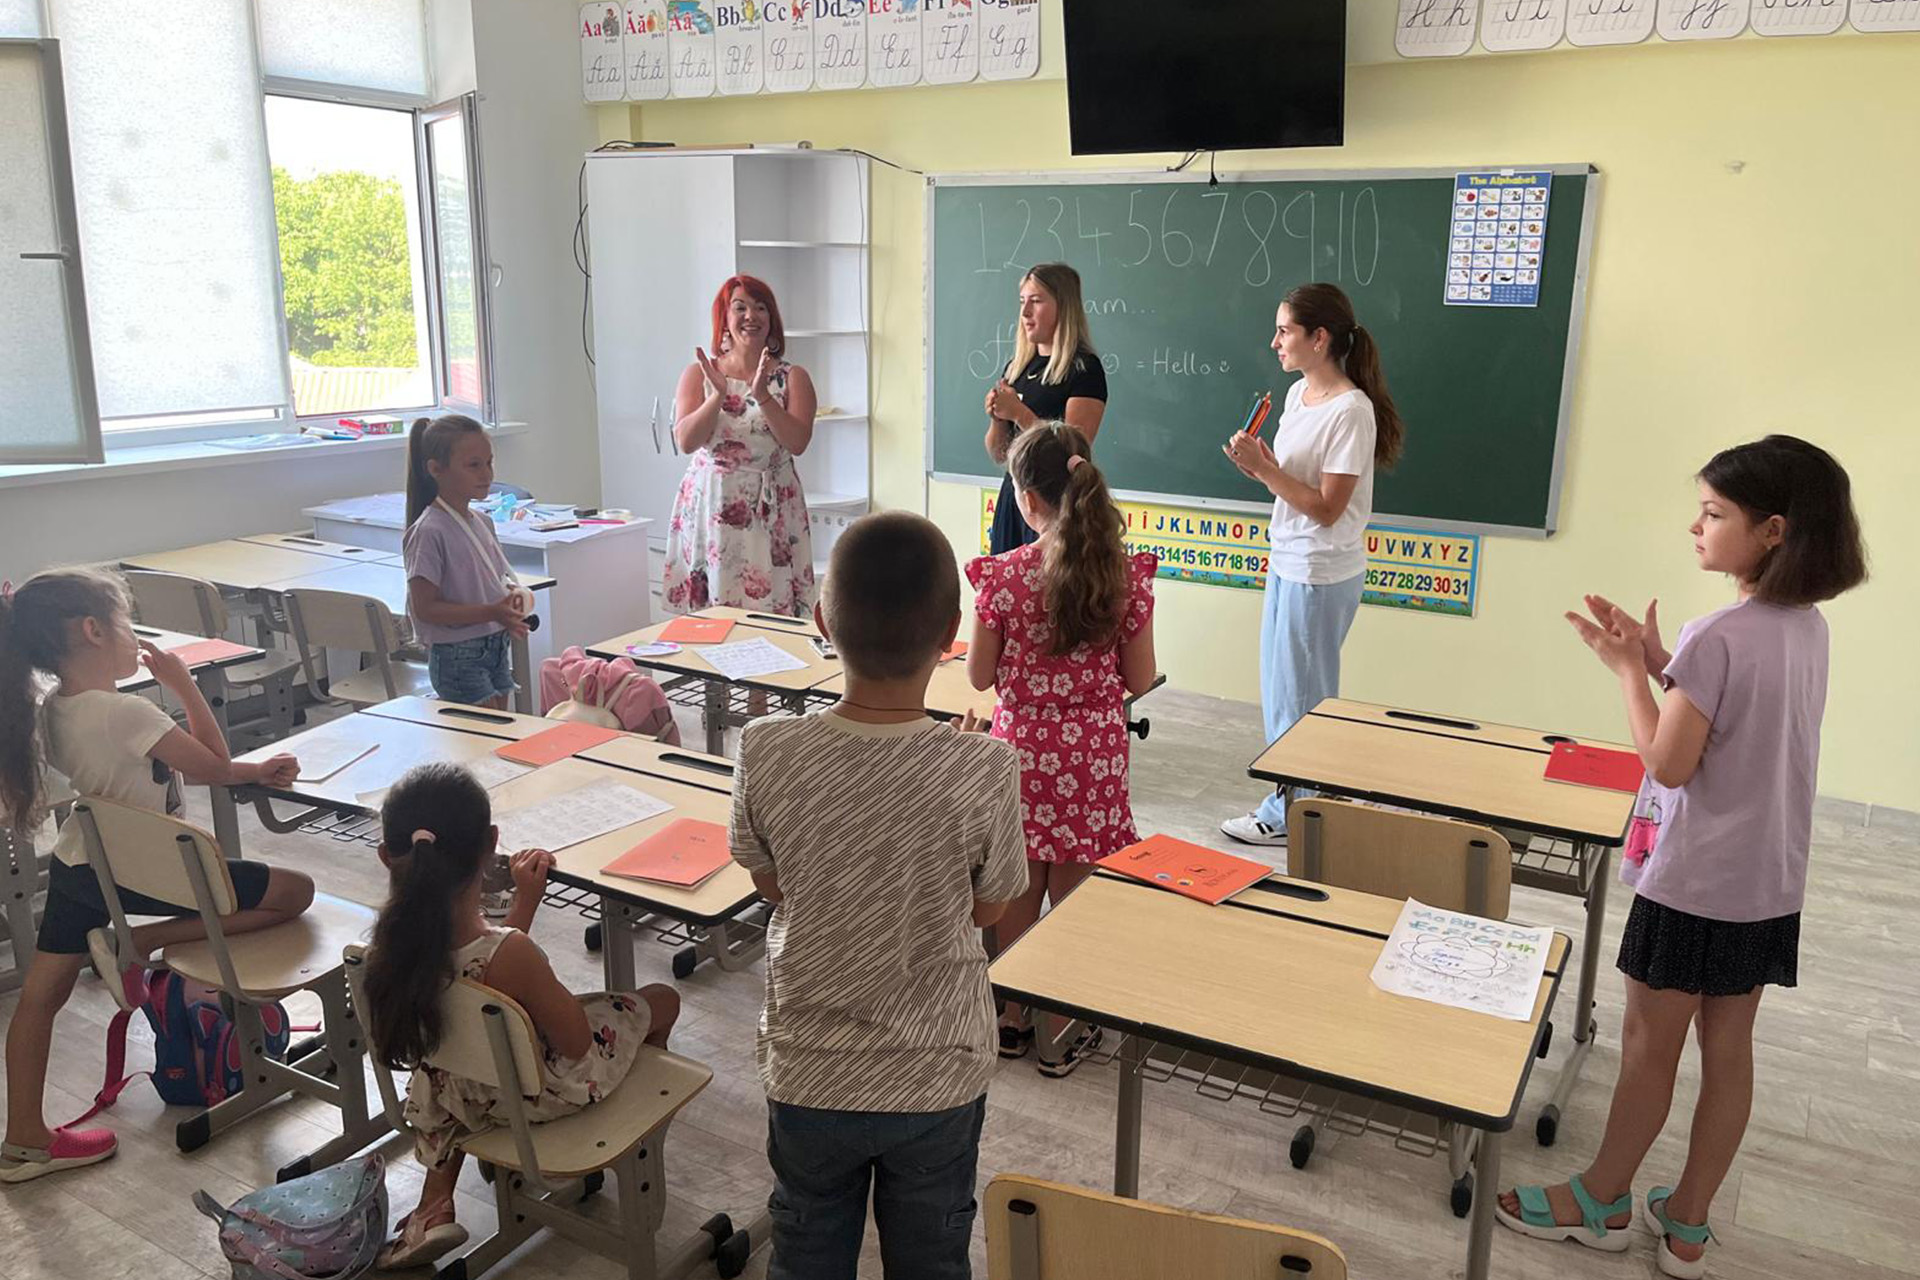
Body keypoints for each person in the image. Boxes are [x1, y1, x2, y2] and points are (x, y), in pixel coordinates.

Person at [1497, 436, 1866, 1279]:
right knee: (1729, 1049)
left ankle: (1602, 1200)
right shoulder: (1806, 629)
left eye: (1713, 513)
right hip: (1766, 881)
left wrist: (1631, 671)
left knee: (1648, 1045)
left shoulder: (1719, 632)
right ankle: (1690, 1223)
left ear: (1773, 530)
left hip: (1694, 881)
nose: (1693, 525)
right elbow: (1737, 723)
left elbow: (1669, 763)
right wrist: (1670, 666)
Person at [729, 511, 1029, 1280]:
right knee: (931, 1255)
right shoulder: (985, 767)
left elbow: (772, 884)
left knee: (806, 1249)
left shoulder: (766, 748)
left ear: (823, 621)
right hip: (936, 1070)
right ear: (952, 634)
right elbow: (991, 910)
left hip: (809, 1066)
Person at [0, 568, 311, 1183]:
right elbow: (213, 767)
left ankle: (24, 1141)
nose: (131, 637)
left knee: (41, 996)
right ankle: (141, 941)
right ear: (92, 630)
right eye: (124, 624)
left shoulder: (50, 710)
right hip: (158, 872)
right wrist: (184, 685)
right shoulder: (128, 710)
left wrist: (253, 771)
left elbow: (190, 768)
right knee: (296, 892)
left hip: (84, 864)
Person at [362, 763, 681, 1269]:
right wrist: (528, 904)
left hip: (457, 1091)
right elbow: (576, 1044)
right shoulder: (513, 955)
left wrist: (524, 911)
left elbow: (480, 976)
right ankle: (636, 1128)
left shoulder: (387, 947)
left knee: (456, 1054)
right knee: (660, 998)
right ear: (492, 843)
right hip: (532, 1096)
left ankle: (433, 1204)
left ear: (386, 856)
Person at [964, 422, 1157, 1076]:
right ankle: (1061, 1023)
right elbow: (1138, 679)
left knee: (1018, 886)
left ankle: (1012, 1017)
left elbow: (979, 677)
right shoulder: (1125, 577)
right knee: (1073, 890)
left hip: (1019, 752)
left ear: (1025, 500)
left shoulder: (1005, 576)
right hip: (1092, 760)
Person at [1219, 282, 1405, 847]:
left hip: (1320, 570)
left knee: (1303, 699)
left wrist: (1268, 472)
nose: (1274, 341)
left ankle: (1296, 813)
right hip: (1287, 559)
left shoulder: (1352, 410)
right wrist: (1262, 467)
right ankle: (1297, 799)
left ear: (1319, 338)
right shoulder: (1299, 395)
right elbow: (1295, 484)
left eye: (1285, 331)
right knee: (1283, 693)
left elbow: (1327, 508)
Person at [664, 274, 817, 618]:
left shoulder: (793, 377)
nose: (752, 316)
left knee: (772, 615)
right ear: (725, 318)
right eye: (741, 307)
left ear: (772, 319)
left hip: (774, 506)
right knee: (713, 619)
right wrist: (717, 395)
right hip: (712, 505)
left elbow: (797, 441)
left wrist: (762, 395)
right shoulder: (699, 374)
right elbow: (687, 441)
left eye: (761, 307)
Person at [403, 414, 529, 709]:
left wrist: (508, 602)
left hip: (495, 645)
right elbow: (425, 609)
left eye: (488, 463)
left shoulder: (482, 521)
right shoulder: (429, 531)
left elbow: (490, 581)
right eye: (473, 465)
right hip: (458, 655)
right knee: (481, 741)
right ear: (436, 469)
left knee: (499, 734)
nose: (486, 474)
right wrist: (491, 611)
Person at [983, 263, 1109, 555]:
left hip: (1056, 508)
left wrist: (1018, 413)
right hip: (1015, 497)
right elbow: (999, 453)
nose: (1025, 313)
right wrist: (997, 419)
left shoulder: (1084, 369)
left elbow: (1075, 449)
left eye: (1036, 301)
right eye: (1022, 302)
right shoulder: (1016, 369)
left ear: (1063, 307)